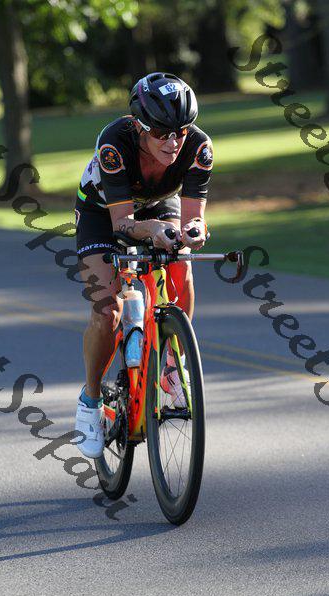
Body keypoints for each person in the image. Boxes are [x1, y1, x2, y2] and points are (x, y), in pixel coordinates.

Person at [74, 72, 213, 458]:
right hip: (102, 211)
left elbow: (194, 218)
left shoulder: (198, 147)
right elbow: (122, 224)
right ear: (139, 126)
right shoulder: (114, 144)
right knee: (107, 308)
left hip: (157, 205)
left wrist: (194, 232)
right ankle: (90, 400)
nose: (173, 142)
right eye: (161, 132)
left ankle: (171, 362)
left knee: (181, 265)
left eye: (180, 132)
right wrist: (151, 230)